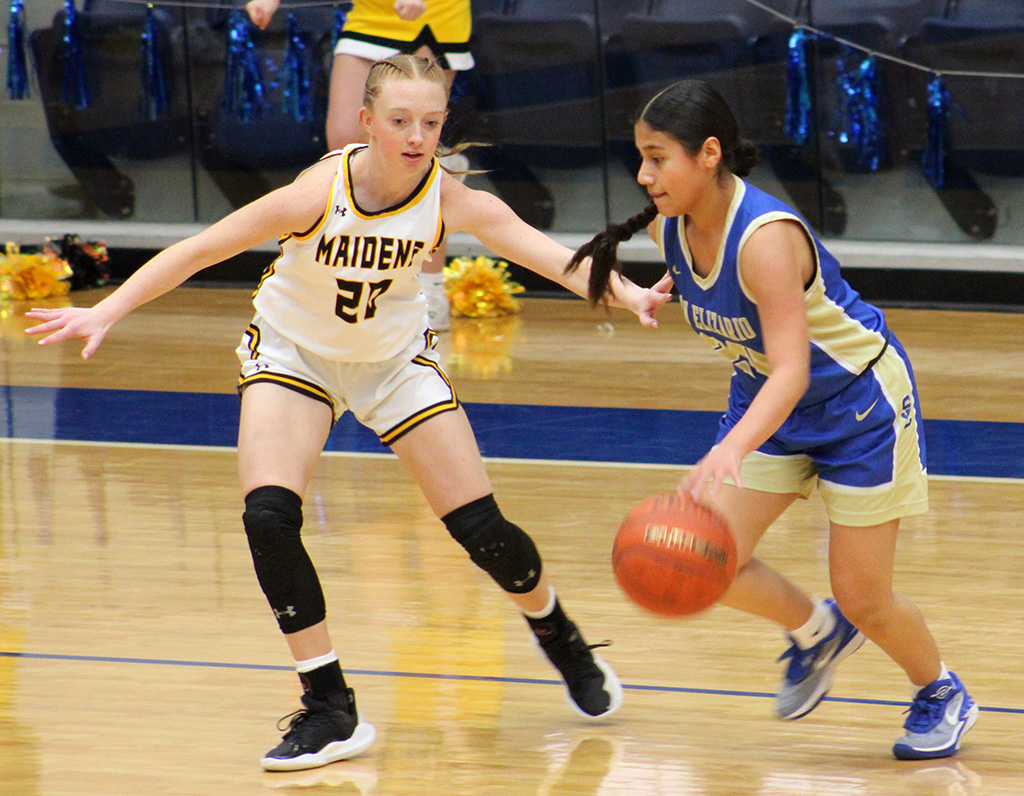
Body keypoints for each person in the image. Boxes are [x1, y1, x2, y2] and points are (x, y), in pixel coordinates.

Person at [26, 55, 667, 772]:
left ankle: (556, 632)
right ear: (366, 122)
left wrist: (631, 293)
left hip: (392, 365)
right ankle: (330, 706)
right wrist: (106, 309)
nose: (417, 135)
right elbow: (204, 248)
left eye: (430, 122)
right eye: (399, 121)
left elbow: (552, 256)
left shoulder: (447, 197)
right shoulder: (316, 191)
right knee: (268, 518)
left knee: (484, 533)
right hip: (295, 354)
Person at [568, 79, 978, 761]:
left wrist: (730, 449)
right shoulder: (675, 231)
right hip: (771, 403)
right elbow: (758, 354)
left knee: (865, 594)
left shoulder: (764, 239)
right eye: (638, 157)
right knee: (704, 559)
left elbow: (792, 369)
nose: (643, 175)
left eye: (657, 157)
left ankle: (941, 690)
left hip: (859, 408)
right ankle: (817, 632)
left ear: (707, 154)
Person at [246, 0, 474, 331]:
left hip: (431, 14)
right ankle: (351, 278)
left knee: (417, 146)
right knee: (343, 144)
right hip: (371, 13)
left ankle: (429, 286)